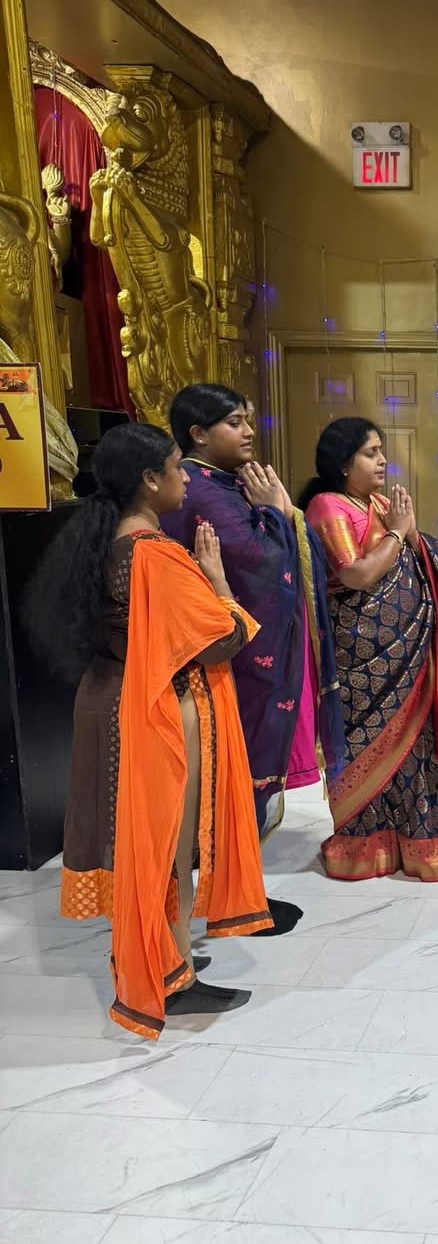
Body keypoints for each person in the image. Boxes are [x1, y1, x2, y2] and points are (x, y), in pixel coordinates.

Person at [24, 423, 273, 1038]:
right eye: (177, 467)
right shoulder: (154, 554)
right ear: (149, 479)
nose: (185, 478)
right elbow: (220, 639)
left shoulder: (106, 541)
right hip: (155, 711)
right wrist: (218, 583)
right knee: (167, 848)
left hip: (110, 701)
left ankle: (161, 954)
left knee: (140, 843)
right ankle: (168, 976)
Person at [301, 417, 438, 881]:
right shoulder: (328, 505)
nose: (382, 460)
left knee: (413, 750)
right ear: (344, 464)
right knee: (364, 747)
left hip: (407, 656)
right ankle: (362, 850)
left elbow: (420, 556)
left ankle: (417, 846)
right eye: (371, 452)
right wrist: (398, 532)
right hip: (360, 660)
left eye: (381, 450)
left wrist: (408, 531)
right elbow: (356, 574)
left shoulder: (380, 505)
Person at [161, 384, 344, 837]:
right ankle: (225, 840)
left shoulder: (225, 482)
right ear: (199, 434)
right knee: (231, 746)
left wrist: (279, 513)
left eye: (247, 421)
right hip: (227, 647)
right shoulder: (201, 491)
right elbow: (260, 562)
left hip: (239, 640)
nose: (249, 432)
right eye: (234, 423)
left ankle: (239, 831)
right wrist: (276, 513)